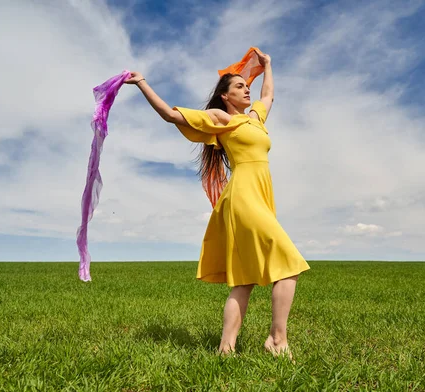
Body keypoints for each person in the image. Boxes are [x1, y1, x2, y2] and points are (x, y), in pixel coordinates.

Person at [124, 49, 310, 356]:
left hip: (261, 197)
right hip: (243, 197)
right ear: (224, 97)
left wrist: (268, 65)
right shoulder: (220, 118)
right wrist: (142, 82)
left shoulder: (255, 119)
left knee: (246, 280)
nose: (246, 88)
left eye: (246, 85)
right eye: (238, 86)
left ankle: (226, 349)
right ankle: (277, 340)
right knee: (288, 264)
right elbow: (171, 115)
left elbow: (269, 94)